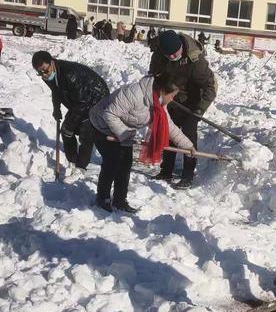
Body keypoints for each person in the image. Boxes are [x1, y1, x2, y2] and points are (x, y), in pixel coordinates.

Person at [90, 73, 196, 213]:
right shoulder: (134, 94)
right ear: (164, 90)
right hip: (102, 125)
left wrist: (187, 145)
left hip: (124, 131)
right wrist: (124, 134)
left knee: (125, 165)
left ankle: (120, 201)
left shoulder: (158, 103)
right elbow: (109, 114)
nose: (172, 99)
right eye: (172, 95)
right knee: (112, 162)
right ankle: (103, 199)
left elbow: (169, 126)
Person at [149, 29, 217, 189]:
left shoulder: (196, 61)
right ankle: (166, 170)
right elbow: (154, 76)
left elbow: (211, 86)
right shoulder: (159, 55)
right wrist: (165, 91)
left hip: (194, 101)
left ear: (181, 46)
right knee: (169, 133)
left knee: (188, 133)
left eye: (175, 53)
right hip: (171, 98)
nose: (172, 56)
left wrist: (199, 109)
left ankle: (188, 174)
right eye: (168, 55)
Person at [32, 51, 110, 172]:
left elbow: (82, 103)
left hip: (97, 99)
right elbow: (56, 90)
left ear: (52, 62)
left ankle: (80, 167)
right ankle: (72, 160)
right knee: (66, 131)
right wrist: (56, 109)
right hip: (80, 99)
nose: (44, 75)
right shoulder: (49, 73)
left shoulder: (69, 74)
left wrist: (72, 124)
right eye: (39, 72)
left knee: (85, 132)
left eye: (45, 70)